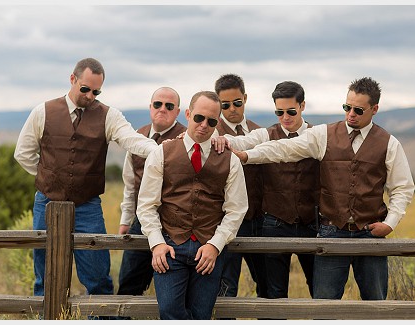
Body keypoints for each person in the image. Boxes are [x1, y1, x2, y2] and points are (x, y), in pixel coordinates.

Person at [233, 77, 414, 301]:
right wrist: (247, 156)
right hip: (331, 231)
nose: (350, 114)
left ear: (374, 109)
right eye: (347, 107)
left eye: (358, 109)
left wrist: (390, 223)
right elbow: (284, 148)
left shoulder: (389, 143)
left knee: (375, 302)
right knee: (323, 305)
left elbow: (402, 188)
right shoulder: (323, 134)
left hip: (370, 231)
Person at [13, 58, 158, 297]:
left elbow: (132, 140)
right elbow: (23, 153)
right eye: (85, 89)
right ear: (73, 79)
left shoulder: (108, 116)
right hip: (46, 202)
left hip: (87, 205)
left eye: (96, 91)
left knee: (98, 276)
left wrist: (161, 150)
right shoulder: (43, 111)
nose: (90, 95)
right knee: (45, 275)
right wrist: (48, 176)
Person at [137, 90, 247, 320]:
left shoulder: (230, 160)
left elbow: (236, 210)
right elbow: (146, 205)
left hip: (208, 250)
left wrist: (215, 246)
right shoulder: (162, 153)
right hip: (170, 247)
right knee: (169, 310)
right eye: (199, 118)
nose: (204, 125)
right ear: (188, 114)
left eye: (212, 121)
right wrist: (157, 244)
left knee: (201, 315)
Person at [217, 81, 320, 299]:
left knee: (319, 288)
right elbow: (242, 141)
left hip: (311, 223)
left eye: (291, 111)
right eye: (279, 112)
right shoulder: (266, 134)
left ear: (302, 106)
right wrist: (214, 137)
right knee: (274, 291)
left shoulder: (318, 135)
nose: (285, 117)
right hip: (275, 222)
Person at [116, 87, 188, 298]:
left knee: (171, 290)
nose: (162, 109)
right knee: (129, 284)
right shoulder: (137, 137)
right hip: (140, 222)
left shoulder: (186, 139)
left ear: (177, 111)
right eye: (158, 104)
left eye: (169, 106)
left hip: (174, 223)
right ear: (150, 107)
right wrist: (125, 221)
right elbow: (130, 184)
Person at [214, 73, 266, 299]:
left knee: (266, 282)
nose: (232, 109)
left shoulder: (259, 132)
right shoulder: (211, 131)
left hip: (258, 220)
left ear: (245, 98)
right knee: (226, 285)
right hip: (224, 221)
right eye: (225, 105)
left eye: (237, 103)